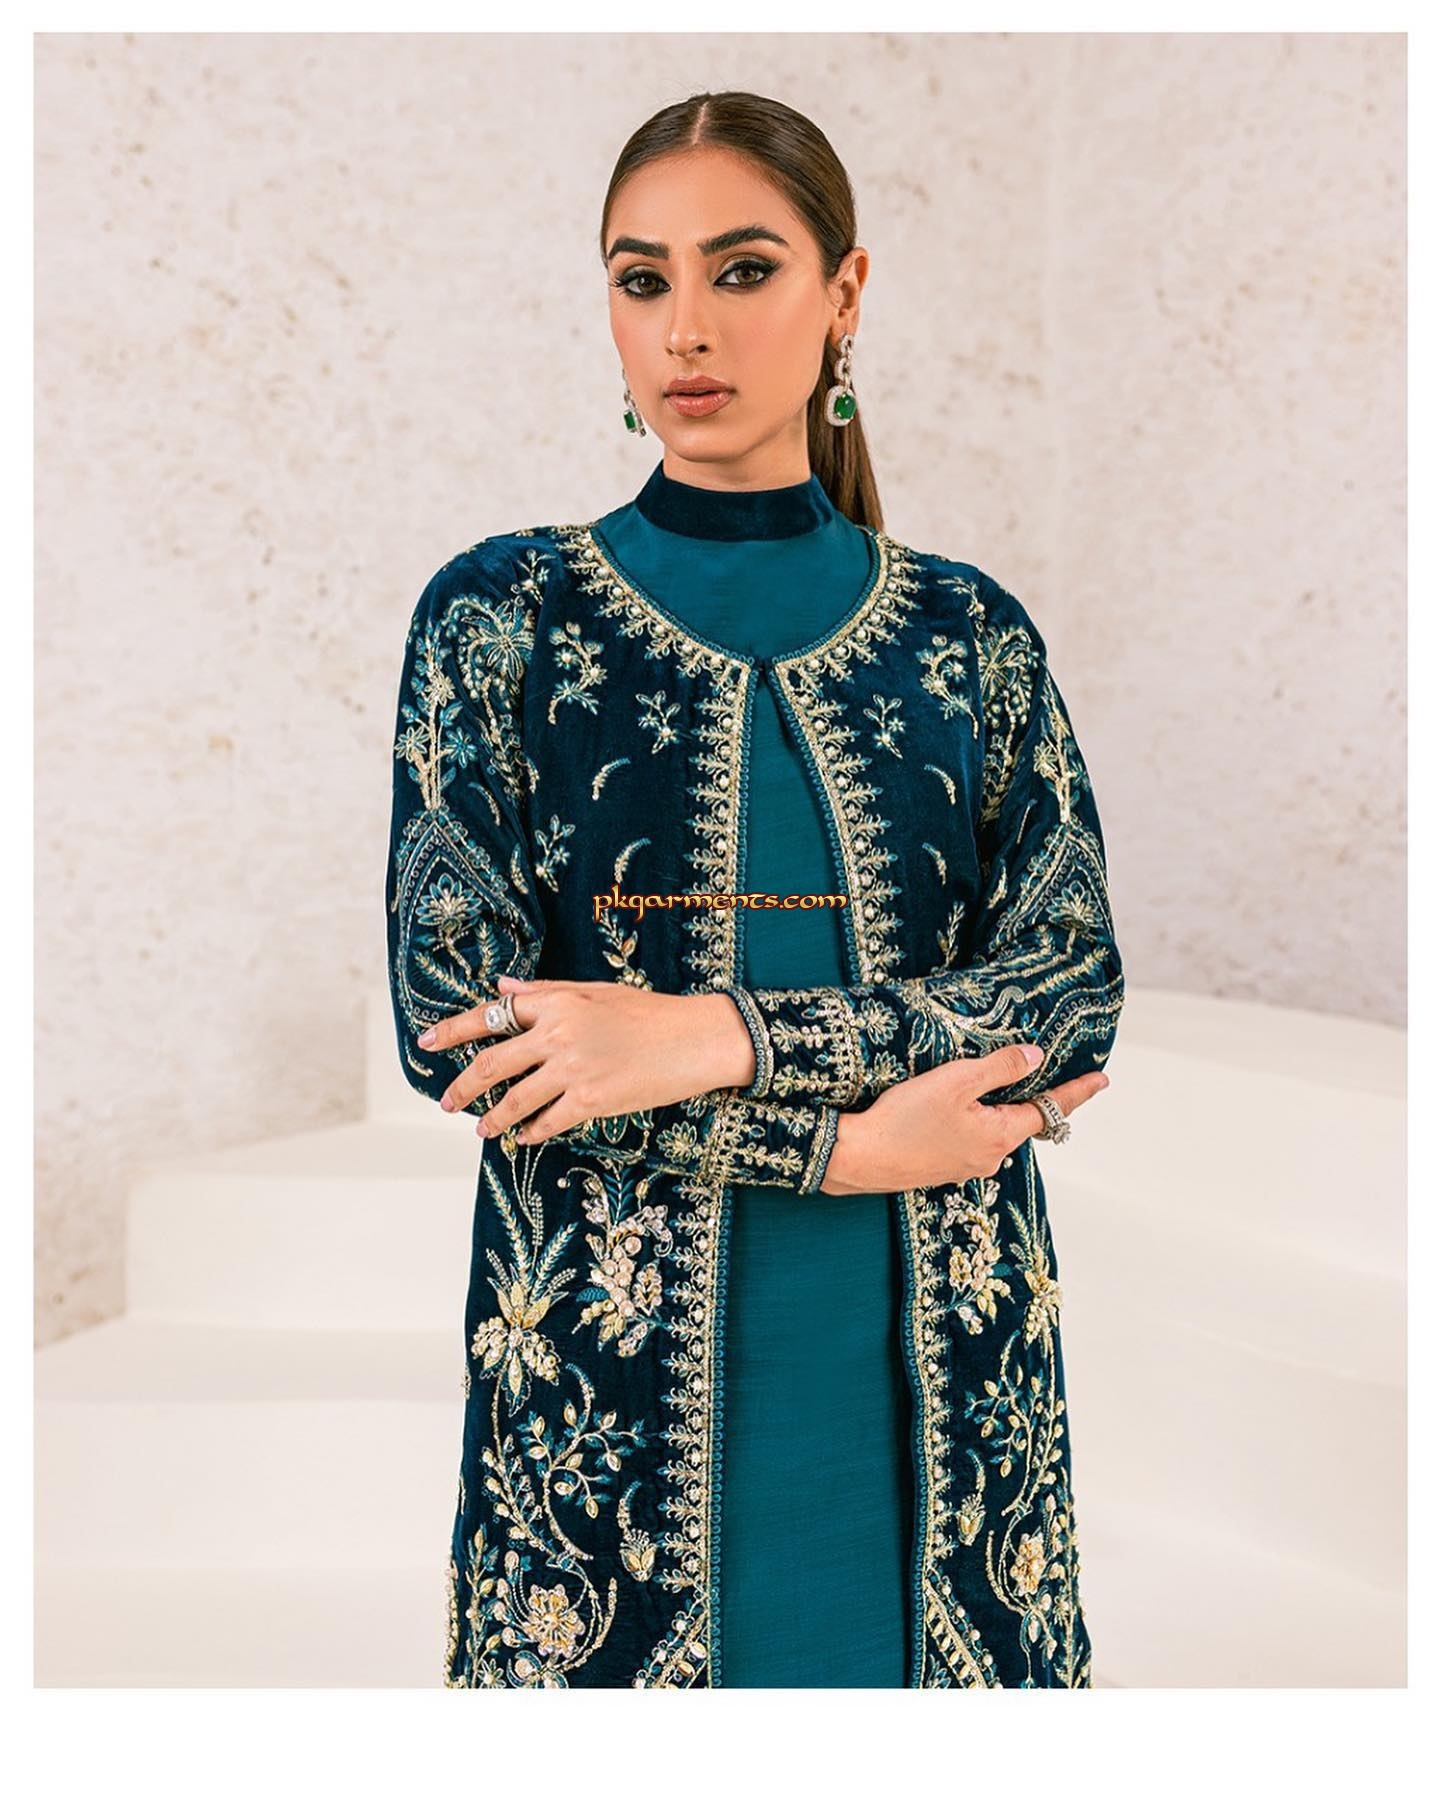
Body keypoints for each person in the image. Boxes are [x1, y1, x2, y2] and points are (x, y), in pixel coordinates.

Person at [386, 89, 1124, 1689]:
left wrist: (705, 1034)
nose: (686, 329)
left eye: (742, 269)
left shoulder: (970, 637)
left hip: (949, 1398)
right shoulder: (501, 619)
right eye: (640, 279)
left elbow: (1068, 989)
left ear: (845, 293)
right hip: (605, 1426)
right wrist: (848, 1146)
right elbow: (465, 1031)